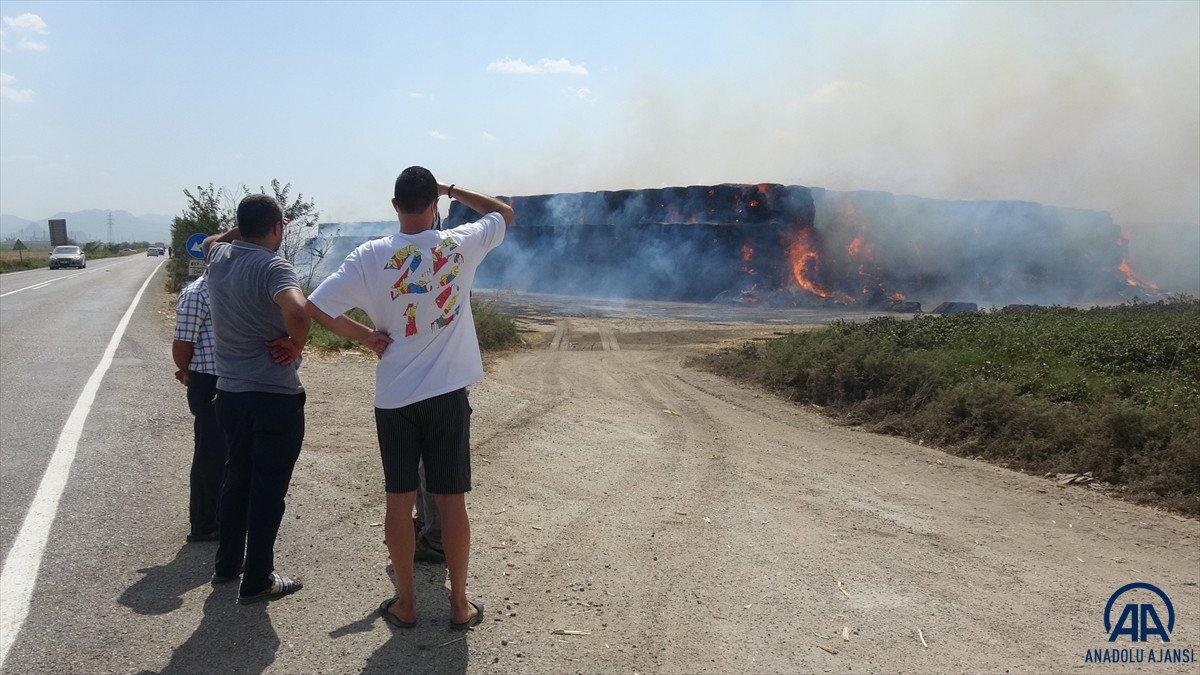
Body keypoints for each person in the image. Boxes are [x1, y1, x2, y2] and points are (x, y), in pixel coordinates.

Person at [307, 166, 514, 629]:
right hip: (446, 396)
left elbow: (315, 306)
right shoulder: (460, 243)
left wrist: (364, 336)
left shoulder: (370, 255)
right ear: (435, 206)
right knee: (451, 500)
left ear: (394, 205)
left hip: (395, 399)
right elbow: (503, 211)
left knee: (399, 502)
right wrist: (451, 189)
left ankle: (407, 604)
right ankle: (459, 605)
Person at [201, 194, 374, 604]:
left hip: (228, 393)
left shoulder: (218, 257)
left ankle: (227, 565)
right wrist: (296, 344)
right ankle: (258, 578)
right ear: (278, 229)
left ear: (241, 227)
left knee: (236, 478)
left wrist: (241, 227)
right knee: (267, 490)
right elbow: (298, 310)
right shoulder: (272, 266)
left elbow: (210, 238)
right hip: (273, 396)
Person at [171, 272, 225, 542]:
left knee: (226, 452)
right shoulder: (197, 293)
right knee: (210, 453)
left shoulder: (225, 288)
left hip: (227, 380)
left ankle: (221, 516)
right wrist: (186, 372)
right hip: (208, 382)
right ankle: (204, 523)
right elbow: (182, 343)